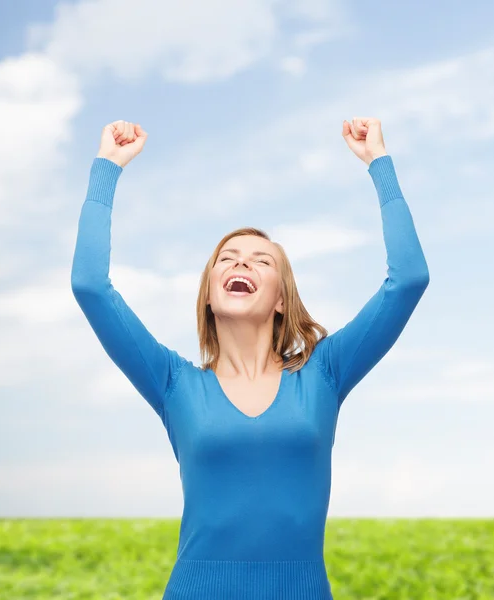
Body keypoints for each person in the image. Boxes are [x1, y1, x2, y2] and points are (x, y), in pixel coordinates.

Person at [71, 118, 430, 599]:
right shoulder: (174, 383)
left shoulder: (323, 374)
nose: (241, 262)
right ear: (208, 296)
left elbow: (408, 278)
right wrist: (107, 169)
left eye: (262, 260)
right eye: (227, 257)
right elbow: (90, 286)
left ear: (281, 298)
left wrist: (378, 164)